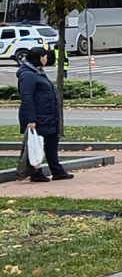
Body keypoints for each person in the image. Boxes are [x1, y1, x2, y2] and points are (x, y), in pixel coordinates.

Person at [17, 46, 73, 183]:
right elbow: (27, 98)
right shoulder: (27, 75)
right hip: (37, 117)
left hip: (47, 115)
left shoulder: (37, 72)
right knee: (36, 144)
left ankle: (57, 171)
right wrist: (31, 119)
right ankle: (35, 172)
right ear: (39, 58)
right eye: (44, 57)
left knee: (52, 141)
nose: (46, 59)